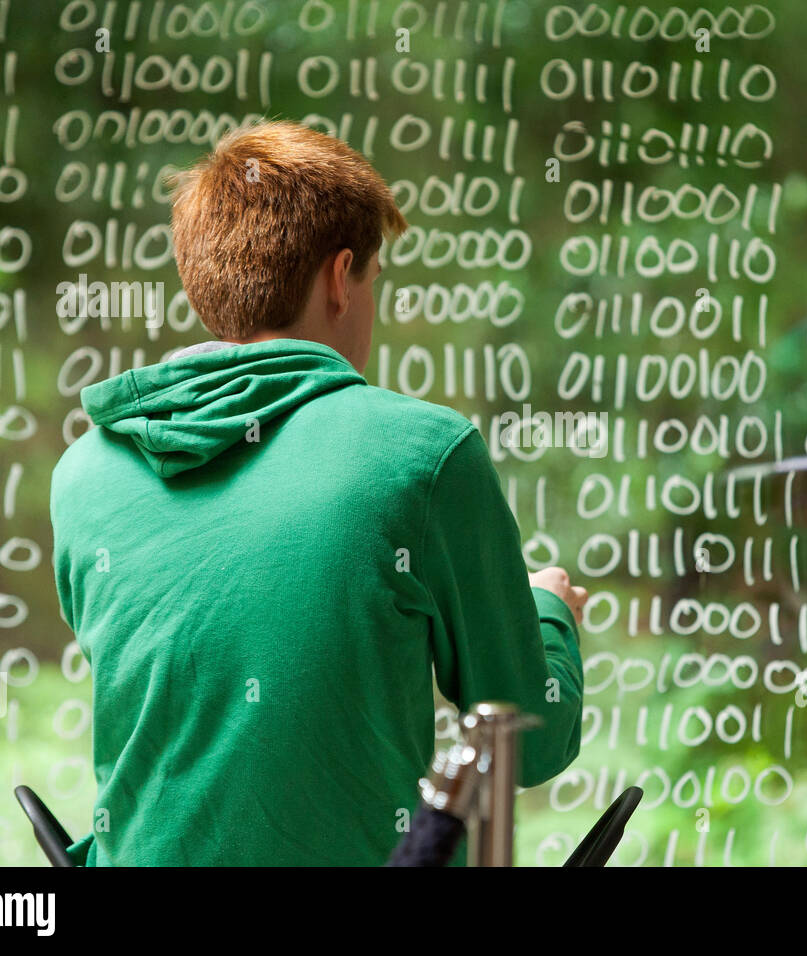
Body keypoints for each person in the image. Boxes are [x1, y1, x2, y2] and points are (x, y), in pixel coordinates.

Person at [50, 120, 588, 866]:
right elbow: (529, 739)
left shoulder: (83, 475)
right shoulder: (424, 457)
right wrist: (548, 611)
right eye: (374, 279)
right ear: (341, 278)